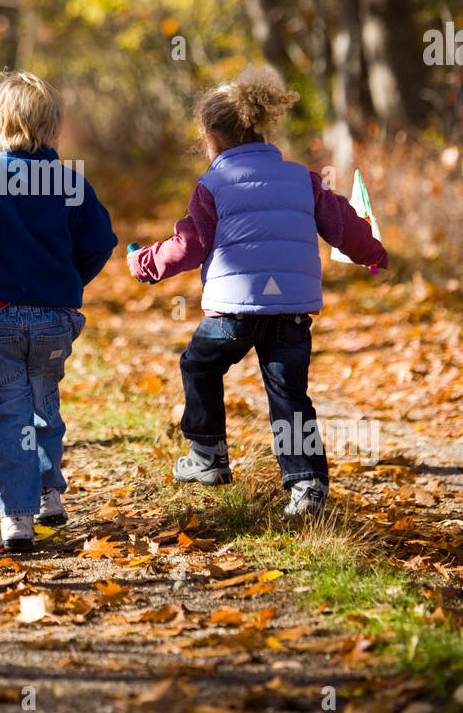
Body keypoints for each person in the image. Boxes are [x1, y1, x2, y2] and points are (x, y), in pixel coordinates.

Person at [127, 67, 388, 519]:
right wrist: (374, 252)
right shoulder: (305, 180)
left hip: (234, 311)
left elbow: (188, 247)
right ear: (261, 126)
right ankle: (307, 486)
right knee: (290, 396)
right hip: (291, 312)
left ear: (212, 137)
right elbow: (345, 226)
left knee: (199, 364)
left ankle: (208, 457)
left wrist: (144, 264)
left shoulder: (212, 185)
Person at [0, 71, 117, 552]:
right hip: (56, 319)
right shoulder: (69, 180)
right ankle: (51, 491)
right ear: (52, 128)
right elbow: (101, 241)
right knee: (43, 404)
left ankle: (17, 513)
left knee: (9, 413)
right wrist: (70, 279)